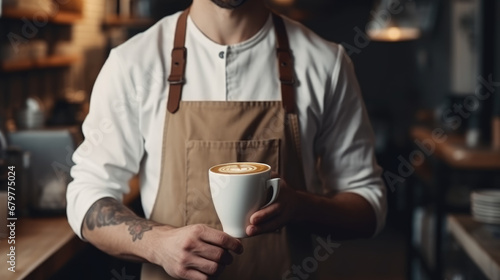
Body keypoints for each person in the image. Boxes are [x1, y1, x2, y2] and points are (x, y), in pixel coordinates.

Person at [66, 0, 387, 279]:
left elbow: (369, 203)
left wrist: (302, 206)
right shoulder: (133, 63)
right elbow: (88, 193)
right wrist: (157, 244)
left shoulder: (325, 63)